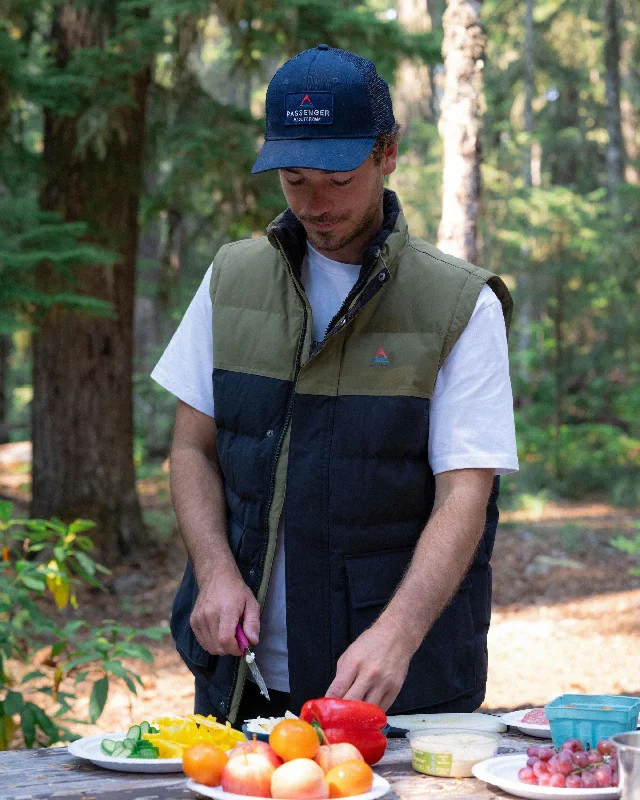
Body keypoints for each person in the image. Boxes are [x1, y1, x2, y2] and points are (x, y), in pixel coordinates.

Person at [152, 44, 518, 725]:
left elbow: (466, 490)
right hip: (242, 675)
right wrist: (215, 571)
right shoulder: (230, 280)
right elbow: (191, 449)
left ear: (388, 153)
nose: (316, 204)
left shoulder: (460, 304)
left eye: (338, 179)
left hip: (397, 683)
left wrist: (398, 633)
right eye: (294, 180)